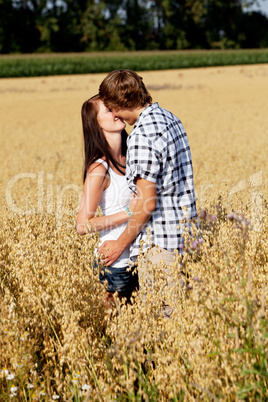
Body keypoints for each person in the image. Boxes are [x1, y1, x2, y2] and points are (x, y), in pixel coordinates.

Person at [98, 69, 198, 297]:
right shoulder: (170, 118)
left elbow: (146, 203)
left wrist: (119, 245)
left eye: (111, 107)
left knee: (165, 320)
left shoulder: (142, 135)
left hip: (161, 247)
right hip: (188, 240)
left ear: (120, 102)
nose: (113, 114)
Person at [76, 94, 138, 305]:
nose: (116, 112)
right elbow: (83, 225)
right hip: (115, 266)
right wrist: (128, 213)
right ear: (96, 123)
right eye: (108, 110)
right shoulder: (99, 168)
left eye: (115, 107)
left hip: (140, 258)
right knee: (115, 332)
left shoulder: (134, 156)